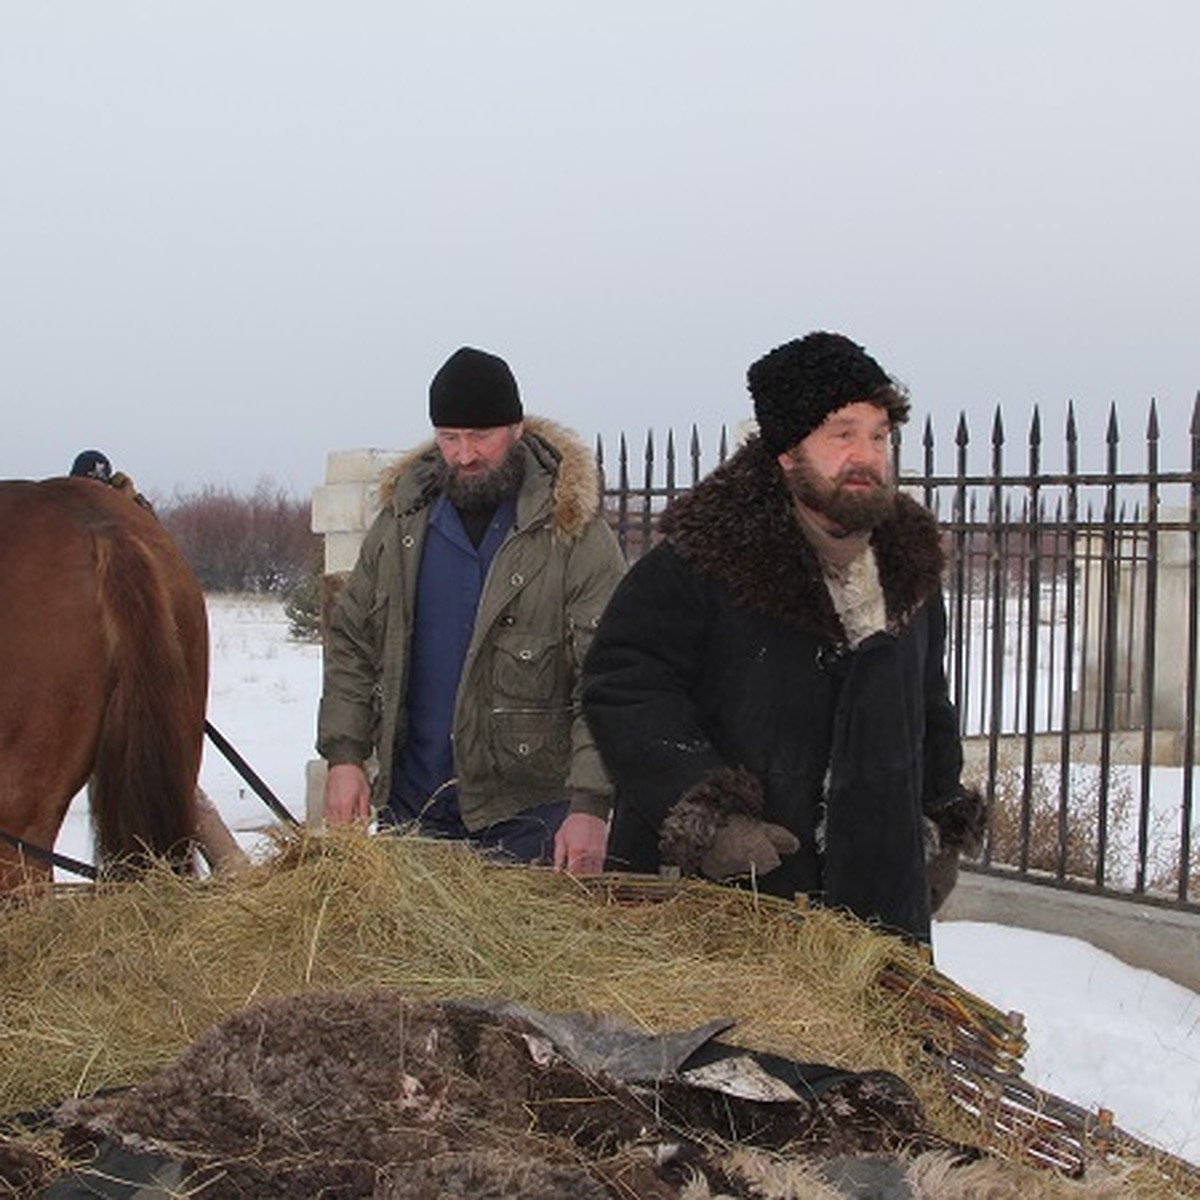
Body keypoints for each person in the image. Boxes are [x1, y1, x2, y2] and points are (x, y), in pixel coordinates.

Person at [581, 331, 985, 944]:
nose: (866, 455)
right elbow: (625, 686)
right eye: (841, 434)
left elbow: (929, 707)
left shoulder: (909, 570)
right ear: (786, 453)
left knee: (870, 1038)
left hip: (873, 909)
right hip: (731, 904)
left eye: (878, 435)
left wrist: (936, 826)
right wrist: (708, 815)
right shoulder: (703, 561)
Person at [317, 346, 626, 873]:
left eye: (481, 436)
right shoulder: (399, 526)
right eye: (449, 437)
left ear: (517, 429)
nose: (464, 455)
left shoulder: (574, 535)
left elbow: (607, 675)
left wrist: (591, 804)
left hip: (532, 820)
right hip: (415, 813)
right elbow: (351, 644)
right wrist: (345, 756)